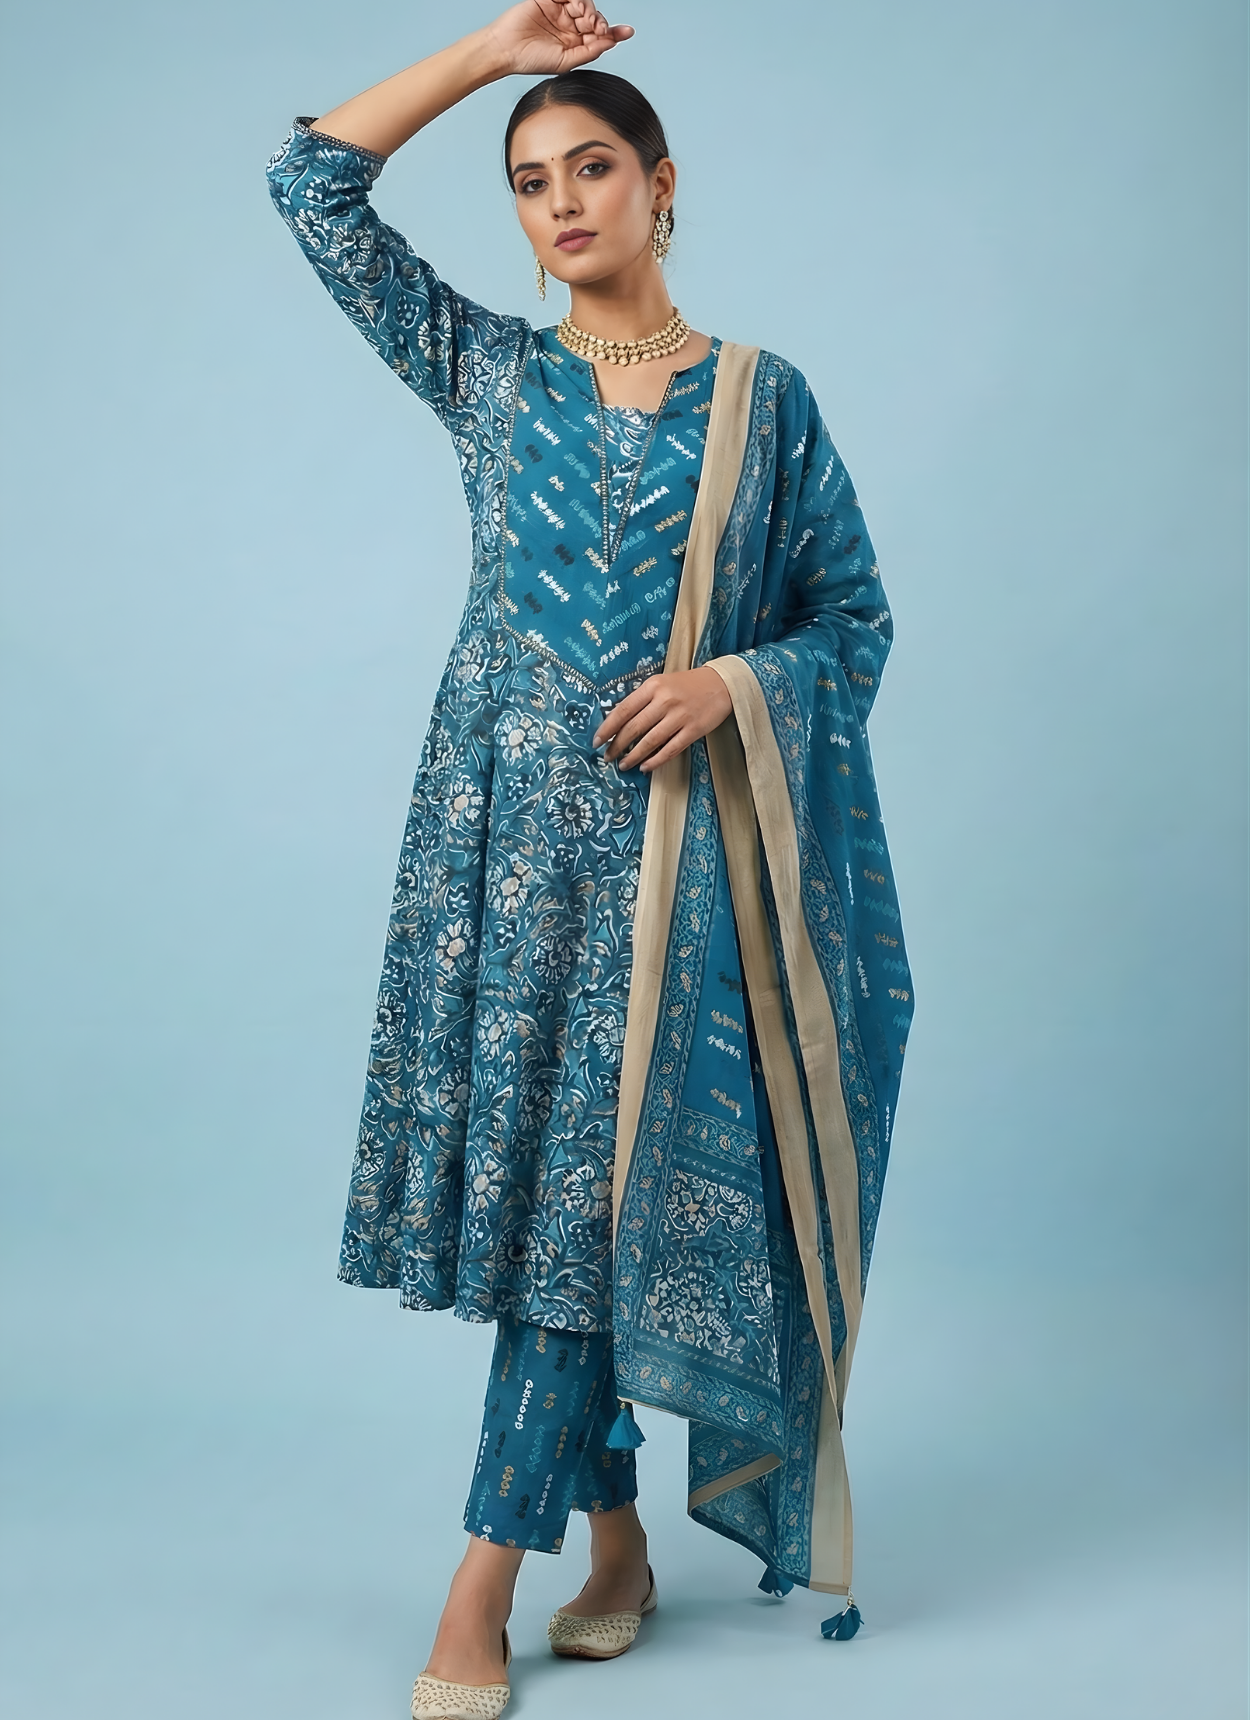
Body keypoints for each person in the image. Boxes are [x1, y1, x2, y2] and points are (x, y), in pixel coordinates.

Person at [266, 4, 912, 1713]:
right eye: (529, 181)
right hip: (500, 855)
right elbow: (310, 183)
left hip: (684, 864)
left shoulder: (763, 405)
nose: (560, 204)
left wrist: (729, 681)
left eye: (591, 167)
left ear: (661, 185)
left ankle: (475, 1590)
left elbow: (852, 618)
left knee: (590, 1200)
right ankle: (614, 1544)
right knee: (565, 1210)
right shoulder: (488, 371)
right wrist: (487, 57)